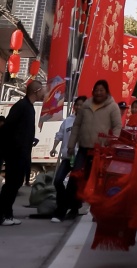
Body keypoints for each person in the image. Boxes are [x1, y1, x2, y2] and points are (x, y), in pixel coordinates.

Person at [70, 79, 123, 202]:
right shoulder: (86, 105)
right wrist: (71, 144)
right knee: (75, 176)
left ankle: (79, 205)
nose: (99, 93)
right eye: (96, 90)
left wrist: (112, 142)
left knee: (90, 178)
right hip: (83, 148)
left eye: (101, 90)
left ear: (106, 92)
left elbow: (117, 126)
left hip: (100, 150)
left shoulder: (113, 106)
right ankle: (65, 208)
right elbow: (77, 125)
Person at [0, 80, 44, 225]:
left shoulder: (29, 107)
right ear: (36, 91)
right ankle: (2, 215)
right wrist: (14, 147)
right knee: (11, 184)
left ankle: (8, 214)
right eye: (42, 90)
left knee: (16, 183)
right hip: (15, 152)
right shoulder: (21, 106)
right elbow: (8, 128)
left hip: (23, 152)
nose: (44, 93)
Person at [50, 95, 85, 223]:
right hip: (67, 156)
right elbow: (59, 135)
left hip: (79, 157)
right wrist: (54, 148)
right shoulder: (68, 121)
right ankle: (63, 203)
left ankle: (71, 209)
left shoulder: (87, 122)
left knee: (74, 185)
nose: (78, 107)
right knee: (58, 181)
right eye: (77, 104)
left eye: (81, 104)